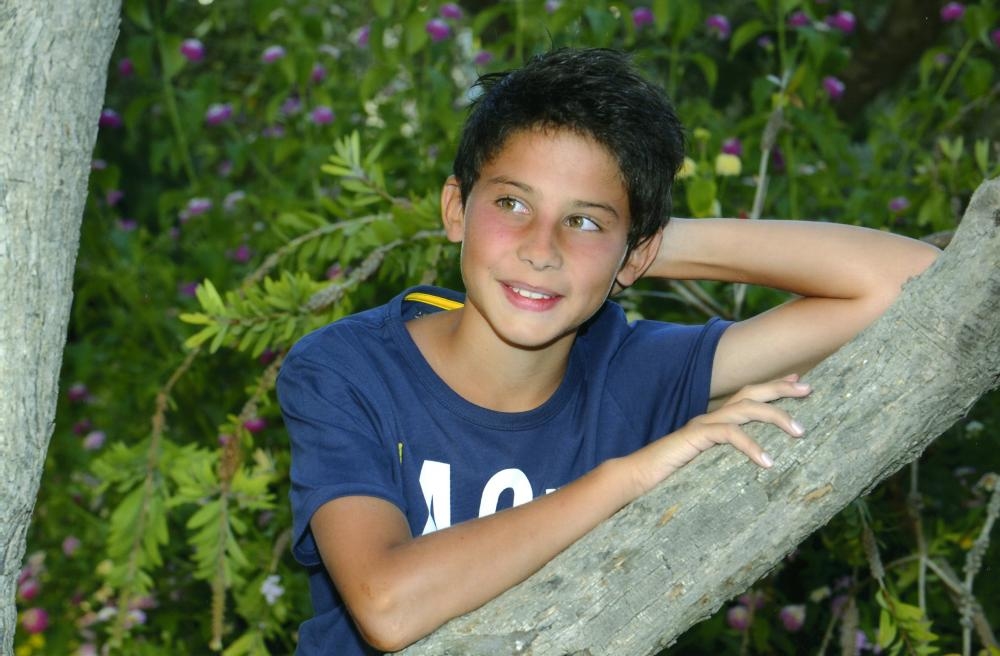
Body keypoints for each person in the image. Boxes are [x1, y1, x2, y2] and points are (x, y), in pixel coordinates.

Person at [276, 48, 939, 654]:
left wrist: (634, 248)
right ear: (457, 209)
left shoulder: (629, 371)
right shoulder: (349, 370)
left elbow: (912, 281)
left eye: (582, 220)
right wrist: (627, 478)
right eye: (511, 204)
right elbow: (388, 607)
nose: (541, 250)